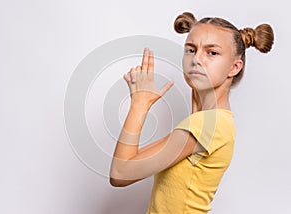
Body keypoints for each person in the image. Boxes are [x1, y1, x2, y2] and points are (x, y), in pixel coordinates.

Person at [109, 12, 274, 213]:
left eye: (212, 52)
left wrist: (139, 104)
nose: (196, 59)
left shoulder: (206, 126)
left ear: (234, 67)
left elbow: (120, 173)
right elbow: (133, 161)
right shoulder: (211, 122)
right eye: (190, 49)